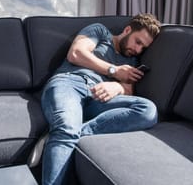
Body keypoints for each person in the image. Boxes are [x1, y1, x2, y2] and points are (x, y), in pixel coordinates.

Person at [38, 13, 161, 185]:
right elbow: (76, 53)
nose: (138, 49)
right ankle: (65, 132)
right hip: (70, 83)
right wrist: (113, 71)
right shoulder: (100, 31)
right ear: (127, 30)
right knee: (67, 127)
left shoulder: (132, 60)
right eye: (138, 42)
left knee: (148, 110)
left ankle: (66, 134)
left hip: (98, 99)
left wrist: (117, 87)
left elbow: (128, 89)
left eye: (143, 48)